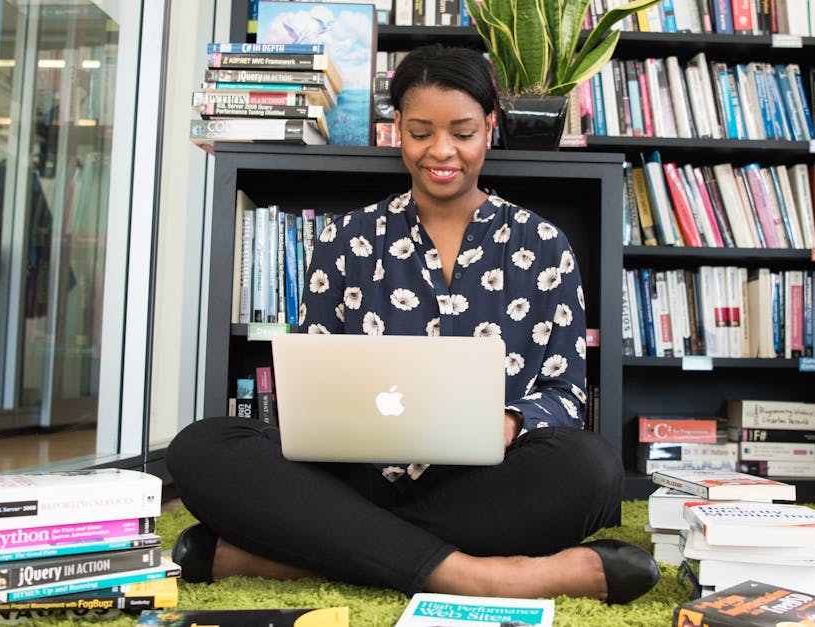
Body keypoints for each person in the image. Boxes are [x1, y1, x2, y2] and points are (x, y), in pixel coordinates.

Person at [166, 44, 659, 604]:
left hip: (482, 483)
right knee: (199, 448)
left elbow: (566, 394)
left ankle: (302, 554)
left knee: (591, 469)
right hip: (350, 477)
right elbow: (312, 381)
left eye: (463, 132)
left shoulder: (543, 245)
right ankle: (486, 576)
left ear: (490, 128)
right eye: (421, 131)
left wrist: (507, 421)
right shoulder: (345, 239)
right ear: (396, 126)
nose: (441, 150)